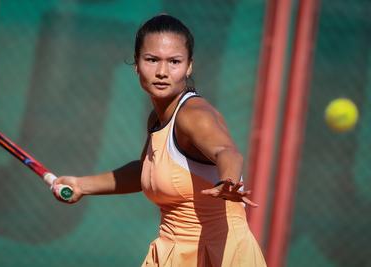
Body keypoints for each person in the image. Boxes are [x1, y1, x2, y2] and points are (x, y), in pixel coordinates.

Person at [53, 14, 266, 267]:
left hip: (223, 256)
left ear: (189, 67)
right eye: (152, 60)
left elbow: (226, 151)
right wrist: (82, 185)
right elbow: (145, 172)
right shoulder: (158, 117)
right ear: (136, 65)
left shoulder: (194, 115)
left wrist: (228, 180)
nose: (162, 72)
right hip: (172, 254)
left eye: (174, 62)